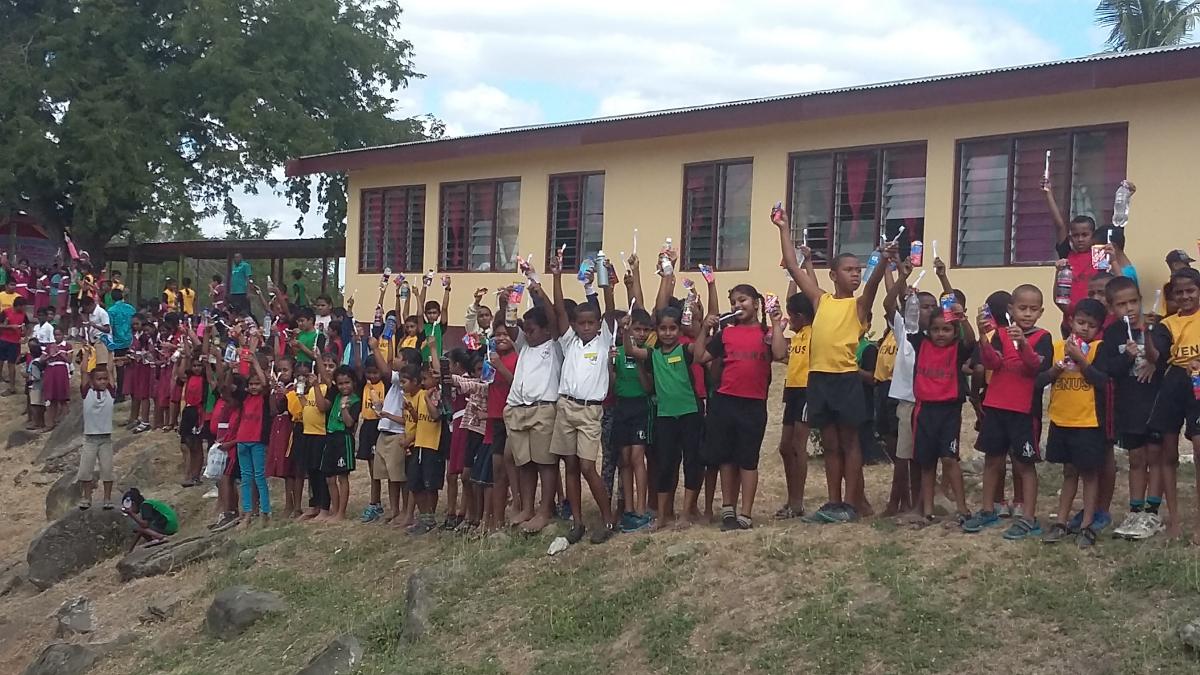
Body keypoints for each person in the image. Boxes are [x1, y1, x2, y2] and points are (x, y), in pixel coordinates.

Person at [777, 211, 891, 521]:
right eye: (848, 269)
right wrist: (784, 227)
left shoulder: (858, 305)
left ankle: (852, 503)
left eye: (857, 270)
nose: (855, 275)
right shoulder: (820, 300)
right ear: (833, 274)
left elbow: (872, 286)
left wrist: (881, 262)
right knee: (829, 442)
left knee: (849, 441)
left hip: (845, 379)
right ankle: (833, 503)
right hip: (819, 380)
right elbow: (791, 264)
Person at [963, 284, 1054, 540]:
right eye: (1022, 308)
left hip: (1023, 410)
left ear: (1041, 312)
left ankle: (1028, 516)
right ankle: (988, 508)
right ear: (1011, 309)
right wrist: (983, 336)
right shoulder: (1000, 334)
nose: (1027, 314)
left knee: (1024, 464)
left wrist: (1023, 343)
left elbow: (1035, 367)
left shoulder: (1042, 336)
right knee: (993, 460)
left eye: (1033, 309)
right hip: (996, 405)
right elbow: (992, 363)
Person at [548, 254, 619, 544]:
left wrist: (594, 288)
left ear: (598, 324)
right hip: (566, 407)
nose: (587, 327)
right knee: (571, 465)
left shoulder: (603, 341)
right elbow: (559, 312)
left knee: (588, 466)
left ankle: (607, 519)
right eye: (582, 323)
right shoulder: (569, 341)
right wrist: (556, 275)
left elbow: (609, 312)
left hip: (590, 411)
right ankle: (576, 522)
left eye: (592, 322)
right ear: (575, 325)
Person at [1099, 276, 1165, 540]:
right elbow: (1109, 369)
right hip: (1129, 405)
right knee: (1136, 459)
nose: (1129, 308)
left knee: (1155, 457)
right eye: (1122, 304)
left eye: (1133, 301)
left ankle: (1153, 511)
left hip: (1155, 404)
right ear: (1111, 307)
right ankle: (1135, 510)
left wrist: (1147, 342)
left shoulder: (1155, 326)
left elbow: (1160, 359)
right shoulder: (1112, 333)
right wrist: (1127, 356)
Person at [1039, 298, 1108, 547]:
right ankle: (1061, 521)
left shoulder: (1100, 348)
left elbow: (1101, 381)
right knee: (1068, 472)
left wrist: (1082, 359)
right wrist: (1057, 369)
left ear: (1098, 328)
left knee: (1089, 473)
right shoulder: (1058, 347)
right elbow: (1040, 381)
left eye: (1091, 325)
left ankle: (1087, 524)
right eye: (1080, 322)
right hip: (1061, 418)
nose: (1084, 329)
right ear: (1070, 322)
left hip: (1088, 421)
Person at [504, 285, 562, 535]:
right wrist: (511, 300)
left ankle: (545, 510)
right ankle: (527, 507)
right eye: (525, 330)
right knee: (524, 462)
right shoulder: (524, 347)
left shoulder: (556, 346)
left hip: (543, 409)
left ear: (547, 329)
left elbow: (554, 317)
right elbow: (508, 326)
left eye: (532, 330)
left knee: (545, 462)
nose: (527, 334)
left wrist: (540, 291)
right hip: (518, 409)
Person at [1148, 266, 1200, 540]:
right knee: (1167, 453)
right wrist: (1147, 333)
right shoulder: (1166, 324)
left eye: (1190, 290)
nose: (1185, 296)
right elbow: (1156, 355)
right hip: (1174, 382)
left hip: (1198, 382)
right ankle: (1175, 520)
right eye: (1179, 292)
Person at [612, 308, 654, 532]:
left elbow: (648, 387)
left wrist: (638, 363)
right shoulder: (616, 353)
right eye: (637, 329)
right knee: (625, 459)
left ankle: (641, 509)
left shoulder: (648, 353)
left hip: (640, 407)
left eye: (645, 330)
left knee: (638, 458)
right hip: (621, 408)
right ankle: (628, 508)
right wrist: (610, 366)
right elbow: (611, 385)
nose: (641, 333)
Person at [371, 336, 413, 527]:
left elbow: (386, 371)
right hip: (385, 431)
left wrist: (375, 349)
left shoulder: (407, 384)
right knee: (389, 474)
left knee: (400, 476)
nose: (394, 359)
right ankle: (394, 509)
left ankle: (405, 511)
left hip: (398, 432)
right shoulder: (399, 381)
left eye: (399, 357)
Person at [233, 343, 273, 527]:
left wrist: (255, 361)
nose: (254, 387)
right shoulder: (245, 397)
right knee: (246, 478)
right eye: (251, 384)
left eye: (256, 384)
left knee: (260, 477)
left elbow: (266, 383)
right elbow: (232, 383)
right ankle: (247, 512)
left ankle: (265, 512)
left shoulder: (263, 398)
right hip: (243, 440)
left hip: (257, 441)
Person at [317, 364, 361, 520]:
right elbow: (326, 377)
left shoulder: (355, 400)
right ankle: (334, 510)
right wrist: (318, 358)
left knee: (342, 477)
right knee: (329, 478)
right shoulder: (335, 392)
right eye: (341, 383)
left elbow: (349, 423)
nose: (344, 386)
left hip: (344, 438)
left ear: (353, 382)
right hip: (330, 437)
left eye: (347, 382)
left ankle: (341, 512)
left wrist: (344, 408)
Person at [404, 362, 443, 534]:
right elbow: (419, 419)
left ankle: (430, 517)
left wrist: (428, 399)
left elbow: (435, 416)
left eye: (426, 379)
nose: (423, 382)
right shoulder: (419, 395)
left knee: (430, 484)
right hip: (419, 443)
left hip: (432, 445)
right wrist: (412, 410)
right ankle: (423, 515)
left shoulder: (437, 395)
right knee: (415, 482)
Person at [77, 355, 117, 510]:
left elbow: (111, 370)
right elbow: (84, 373)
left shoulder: (110, 394)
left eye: (104, 379)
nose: (103, 382)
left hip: (106, 439)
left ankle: (107, 498)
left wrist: (109, 353)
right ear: (92, 381)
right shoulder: (87, 393)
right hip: (90, 439)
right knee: (86, 470)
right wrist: (86, 356)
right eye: (99, 379)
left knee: (107, 470)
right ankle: (87, 498)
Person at [0, 296, 28, 396]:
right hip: (3, 340)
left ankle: (12, 388)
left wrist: (24, 334)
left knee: (11, 364)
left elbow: (25, 330)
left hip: (14, 342)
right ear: (19, 306)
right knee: (1, 360)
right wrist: (10, 326)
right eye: (23, 306)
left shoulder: (23, 315)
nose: (25, 308)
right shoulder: (6, 312)